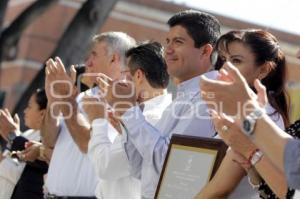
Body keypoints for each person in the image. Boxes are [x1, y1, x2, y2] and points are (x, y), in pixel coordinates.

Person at [97, 10, 221, 199]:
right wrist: (126, 119)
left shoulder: (210, 97)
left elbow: (170, 165)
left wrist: (129, 112)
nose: (168, 50)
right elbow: (141, 169)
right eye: (167, 42)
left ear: (205, 51)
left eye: (178, 42)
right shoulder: (181, 97)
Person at [196, 29, 291, 199]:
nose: (225, 67)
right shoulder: (232, 111)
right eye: (224, 59)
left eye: (236, 61)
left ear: (263, 70)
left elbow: (220, 188)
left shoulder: (264, 117)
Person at [42, 32, 136, 198]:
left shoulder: (124, 101)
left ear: (113, 59)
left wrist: (65, 98)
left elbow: (87, 144)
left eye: (94, 55)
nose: (87, 62)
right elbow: (49, 141)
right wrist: (53, 101)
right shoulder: (82, 96)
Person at [83, 41, 171, 199]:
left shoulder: (151, 117)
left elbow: (105, 167)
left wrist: (98, 121)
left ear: (138, 75)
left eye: (125, 75)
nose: (120, 81)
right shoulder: (154, 113)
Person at [0, 89, 49, 199]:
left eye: (29, 107)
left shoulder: (50, 140)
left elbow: (21, 174)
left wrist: (12, 136)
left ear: (42, 113)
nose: (25, 111)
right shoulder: (28, 133)